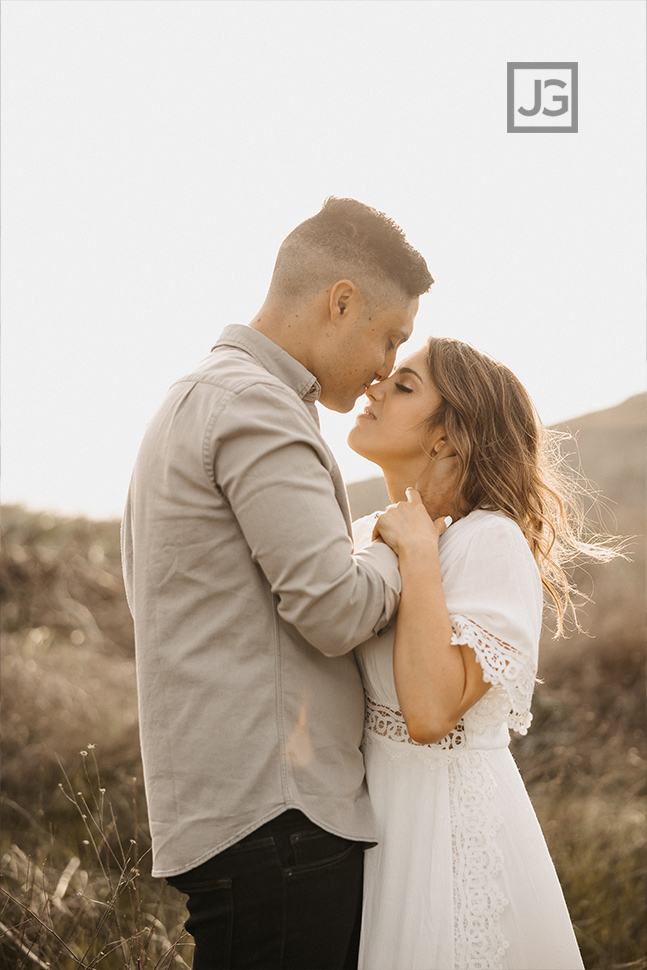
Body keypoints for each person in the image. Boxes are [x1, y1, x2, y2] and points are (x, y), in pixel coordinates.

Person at [121, 198, 450, 969]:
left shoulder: (204, 394)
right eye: (389, 336)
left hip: (245, 811)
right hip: (281, 818)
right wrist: (395, 537)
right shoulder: (255, 405)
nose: (383, 366)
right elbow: (334, 611)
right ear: (340, 300)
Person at [347, 336, 618, 970]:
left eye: (405, 385)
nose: (374, 386)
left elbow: (431, 712)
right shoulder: (370, 533)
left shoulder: (487, 543)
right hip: (374, 830)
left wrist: (417, 552)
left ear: (447, 439)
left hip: (446, 832)